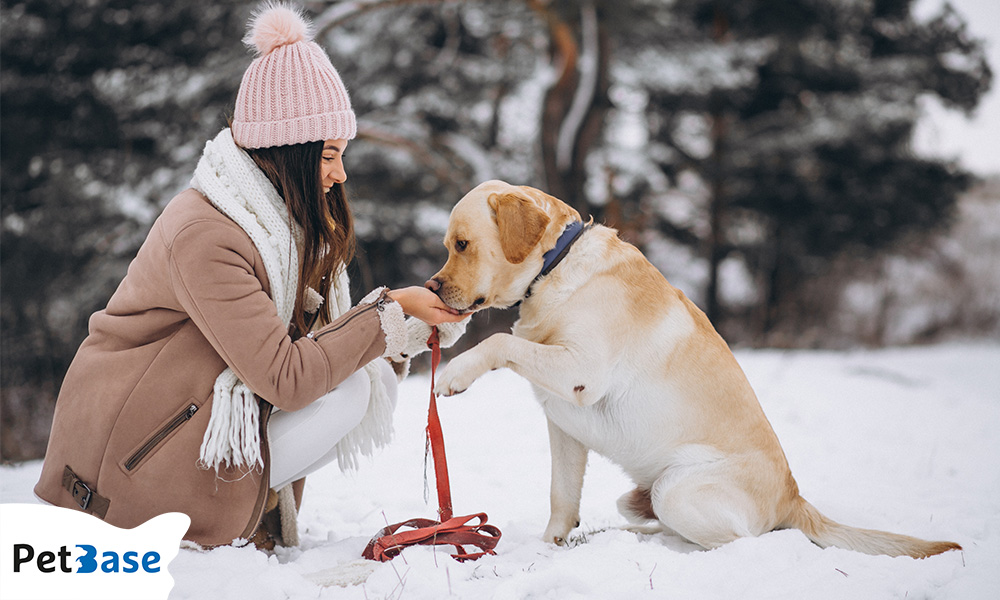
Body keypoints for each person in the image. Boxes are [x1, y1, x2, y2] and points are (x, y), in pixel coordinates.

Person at [33, 3, 467, 549]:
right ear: (289, 151)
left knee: (367, 379)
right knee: (351, 389)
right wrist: (390, 312)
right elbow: (288, 378)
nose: (340, 173)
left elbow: (323, 351)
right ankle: (203, 520)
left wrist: (403, 328)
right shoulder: (208, 235)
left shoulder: (273, 226)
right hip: (118, 467)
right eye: (329, 154)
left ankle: (239, 511)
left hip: (172, 426)